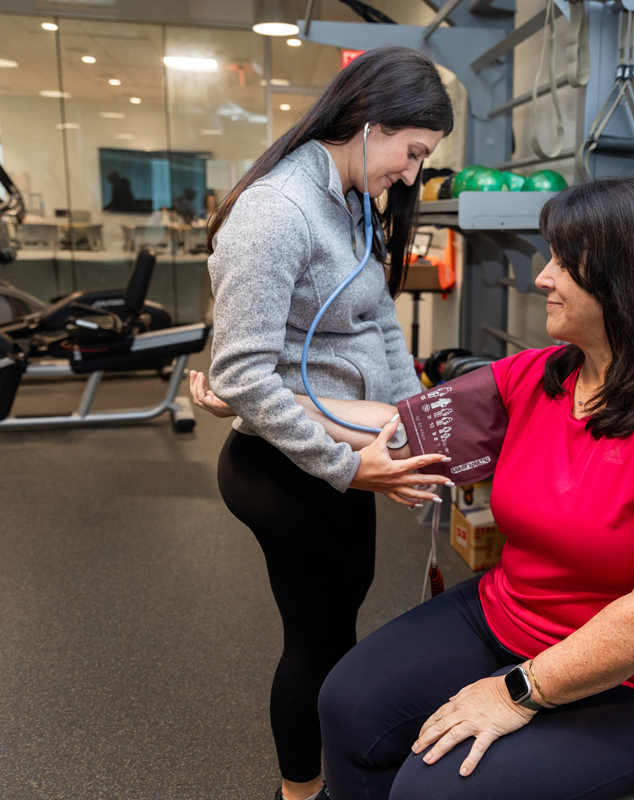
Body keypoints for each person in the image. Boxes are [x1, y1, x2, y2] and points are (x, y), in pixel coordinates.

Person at [315, 177, 634, 800]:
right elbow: (401, 420)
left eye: (563, 263)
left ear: (628, 283)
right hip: (510, 616)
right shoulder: (543, 375)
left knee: (434, 790)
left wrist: (518, 690)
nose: (541, 277)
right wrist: (260, 403)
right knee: (347, 706)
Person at [198, 46, 455, 800]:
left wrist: (419, 425)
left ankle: (331, 778)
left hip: (342, 451)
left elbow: (379, 328)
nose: (411, 175)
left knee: (344, 614)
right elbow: (240, 375)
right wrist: (349, 467)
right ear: (371, 125)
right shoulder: (276, 213)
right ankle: (300, 792)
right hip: (284, 463)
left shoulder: (347, 203)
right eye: (411, 154)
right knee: (317, 639)